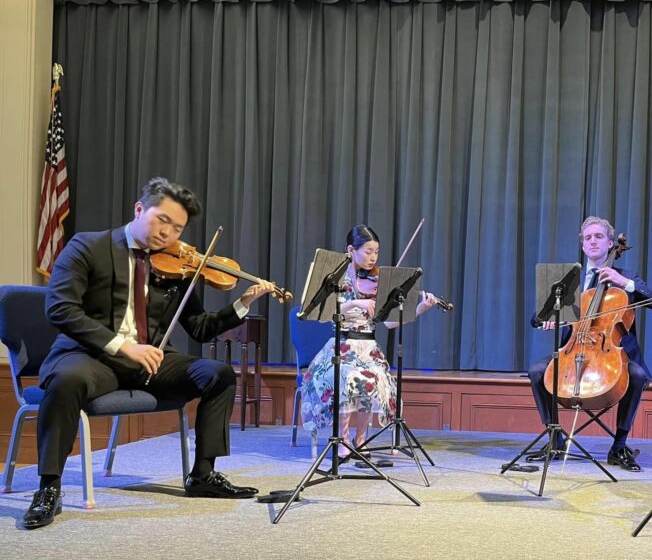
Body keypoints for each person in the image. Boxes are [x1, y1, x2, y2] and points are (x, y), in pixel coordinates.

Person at [25, 177, 279, 530]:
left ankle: (203, 474)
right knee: (67, 381)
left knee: (218, 374)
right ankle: (49, 487)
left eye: (177, 228)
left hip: (150, 361)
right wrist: (123, 345)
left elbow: (199, 327)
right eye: (162, 220)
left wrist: (242, 302)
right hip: (90, 356)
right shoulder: (88, 247)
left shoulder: (177, 266)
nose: (168, 234)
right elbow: (61, 309)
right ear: (140, 209)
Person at [527, 216, 652, 471]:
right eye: (587, 238)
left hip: (614, 353)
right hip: (574, 349)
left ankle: (619, 447)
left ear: (610, 244)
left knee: (636, 376)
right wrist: (549, 320)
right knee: (537, 371)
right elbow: (535, 318)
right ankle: (555, 438)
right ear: (582, 246)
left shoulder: (626, 276)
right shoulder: (570, 280)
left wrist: (624, 283)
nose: (592, 241)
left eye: (598, 237)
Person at [299, 225, 438, 461]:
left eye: (376, 252)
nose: (373, 258)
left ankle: (360, 439)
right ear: (351, 250)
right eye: (368, 252)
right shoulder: (335, 279)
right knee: (349, 378)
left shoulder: (377, 283)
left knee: (374, 381)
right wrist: (355, 304)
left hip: (369, 350)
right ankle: (341, 440)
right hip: (340, 348)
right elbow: (319, 310)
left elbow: (389, 324)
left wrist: (420, 309)